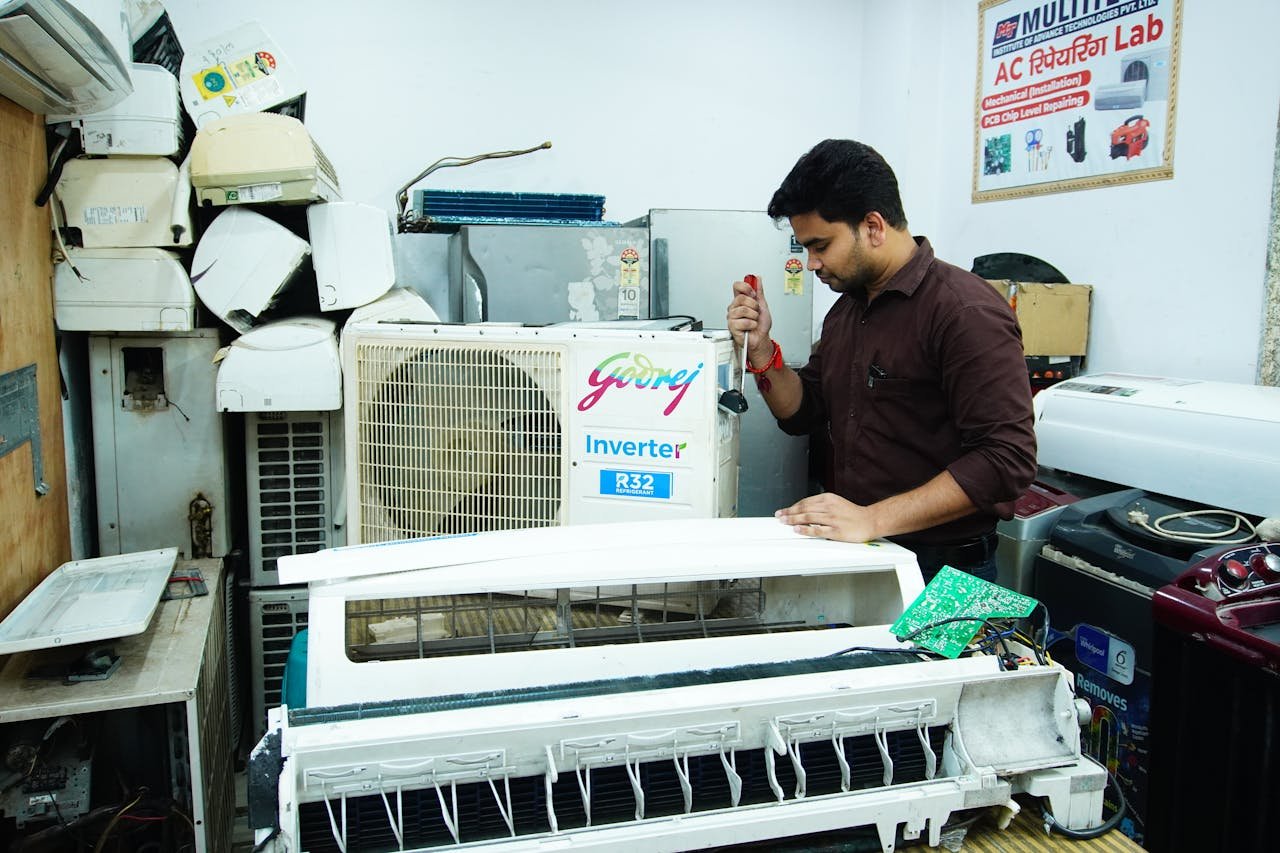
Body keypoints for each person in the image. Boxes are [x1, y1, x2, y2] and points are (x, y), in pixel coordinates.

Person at [726, 139, 1036, 582]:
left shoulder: (964, 313)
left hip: (947, 570)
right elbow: (804, 412)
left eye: (820, 245)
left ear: (872, 226)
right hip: (864, 551)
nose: (811, 264)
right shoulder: (849, 310)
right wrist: (761, 349)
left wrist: (871, 520)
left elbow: (1006, 460)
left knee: (934, 657)